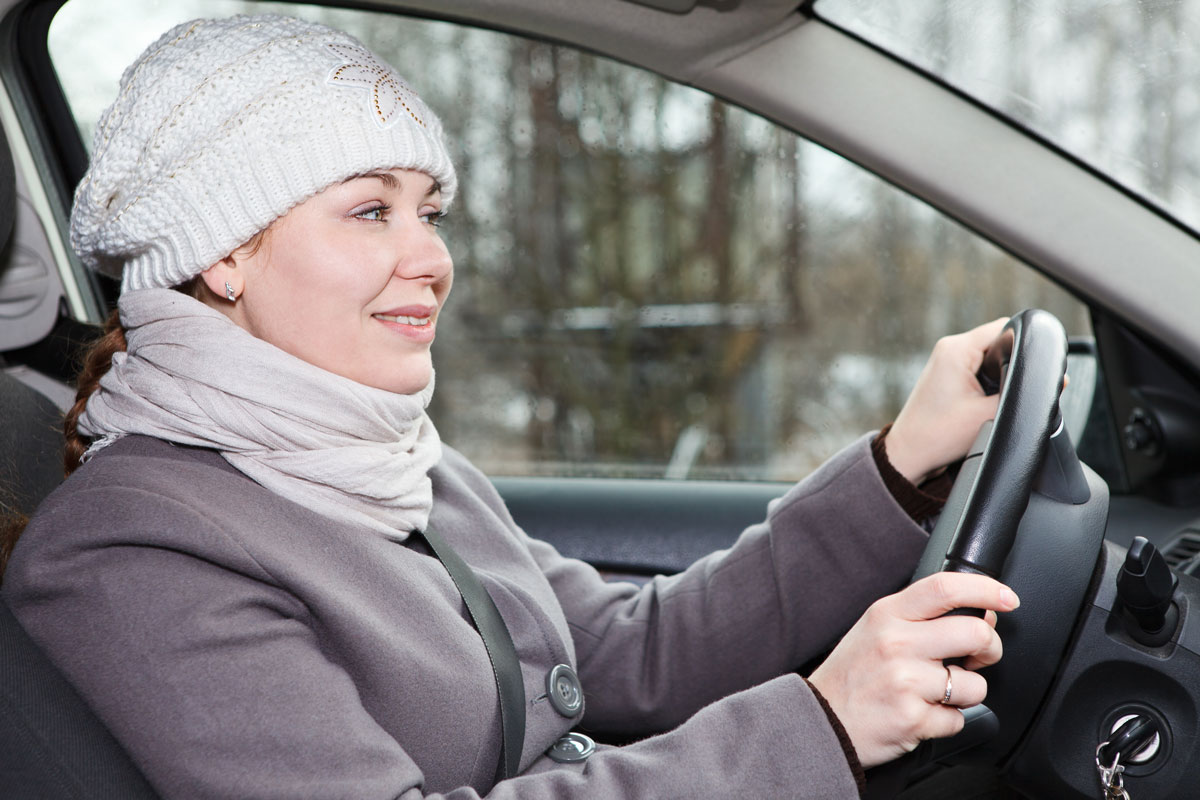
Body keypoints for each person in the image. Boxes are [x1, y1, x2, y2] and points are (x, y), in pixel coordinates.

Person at [0, 14, 1018, 799]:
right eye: (370, 209)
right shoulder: (133, 552)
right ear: (223, 253)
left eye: (428, 211)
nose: (432, 258)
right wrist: (822, 725)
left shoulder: (391, 457)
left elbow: (623, 654)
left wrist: (899, 463)